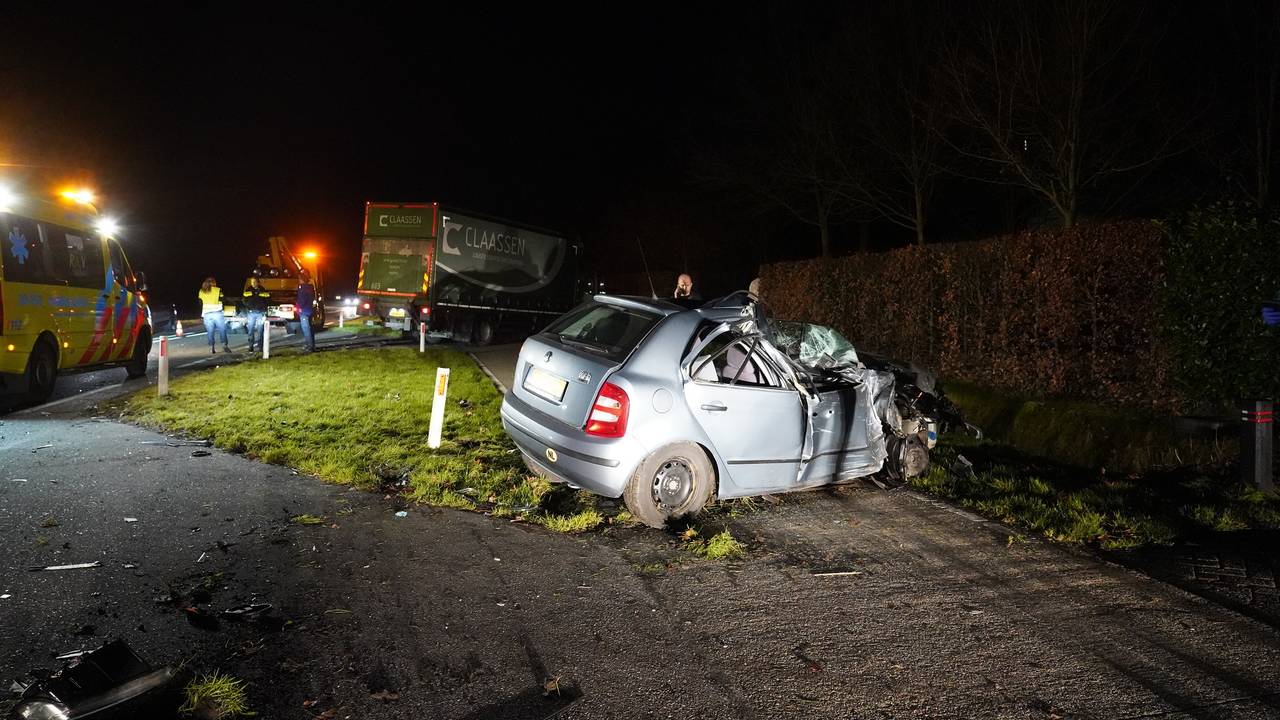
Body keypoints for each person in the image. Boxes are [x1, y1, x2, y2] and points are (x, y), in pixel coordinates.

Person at [198, 277, 230, 353]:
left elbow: (200, 302)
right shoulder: (218, 290)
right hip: (217, 313)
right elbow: (223, 299)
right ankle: (224, 345)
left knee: (210, 331)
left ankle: (212, 347)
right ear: (213, 283)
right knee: (222, 329)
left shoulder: (202, 291)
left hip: (207, 314)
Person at [242, 275, 271, 352]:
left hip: (260, 313)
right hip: (251, 313)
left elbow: (268, 300)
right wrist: (248, 307)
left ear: (258, 282)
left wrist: (264, 308)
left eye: (254, 282)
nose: (253, 283)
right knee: (250, 330)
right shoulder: (248, 290)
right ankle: (251, 346)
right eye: (252, 282)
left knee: (260, 330)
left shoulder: (263, 290)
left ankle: (260, 347)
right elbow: (244, 300)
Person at [296, 269, 317, 352]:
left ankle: (309, 347)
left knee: (306, 329)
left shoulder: (302, 288)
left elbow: (301, 300)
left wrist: (298, 307)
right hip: (310, 310)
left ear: (301, 279)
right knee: (310, 328)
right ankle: (312, 345)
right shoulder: (310, 287)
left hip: (304, 311)